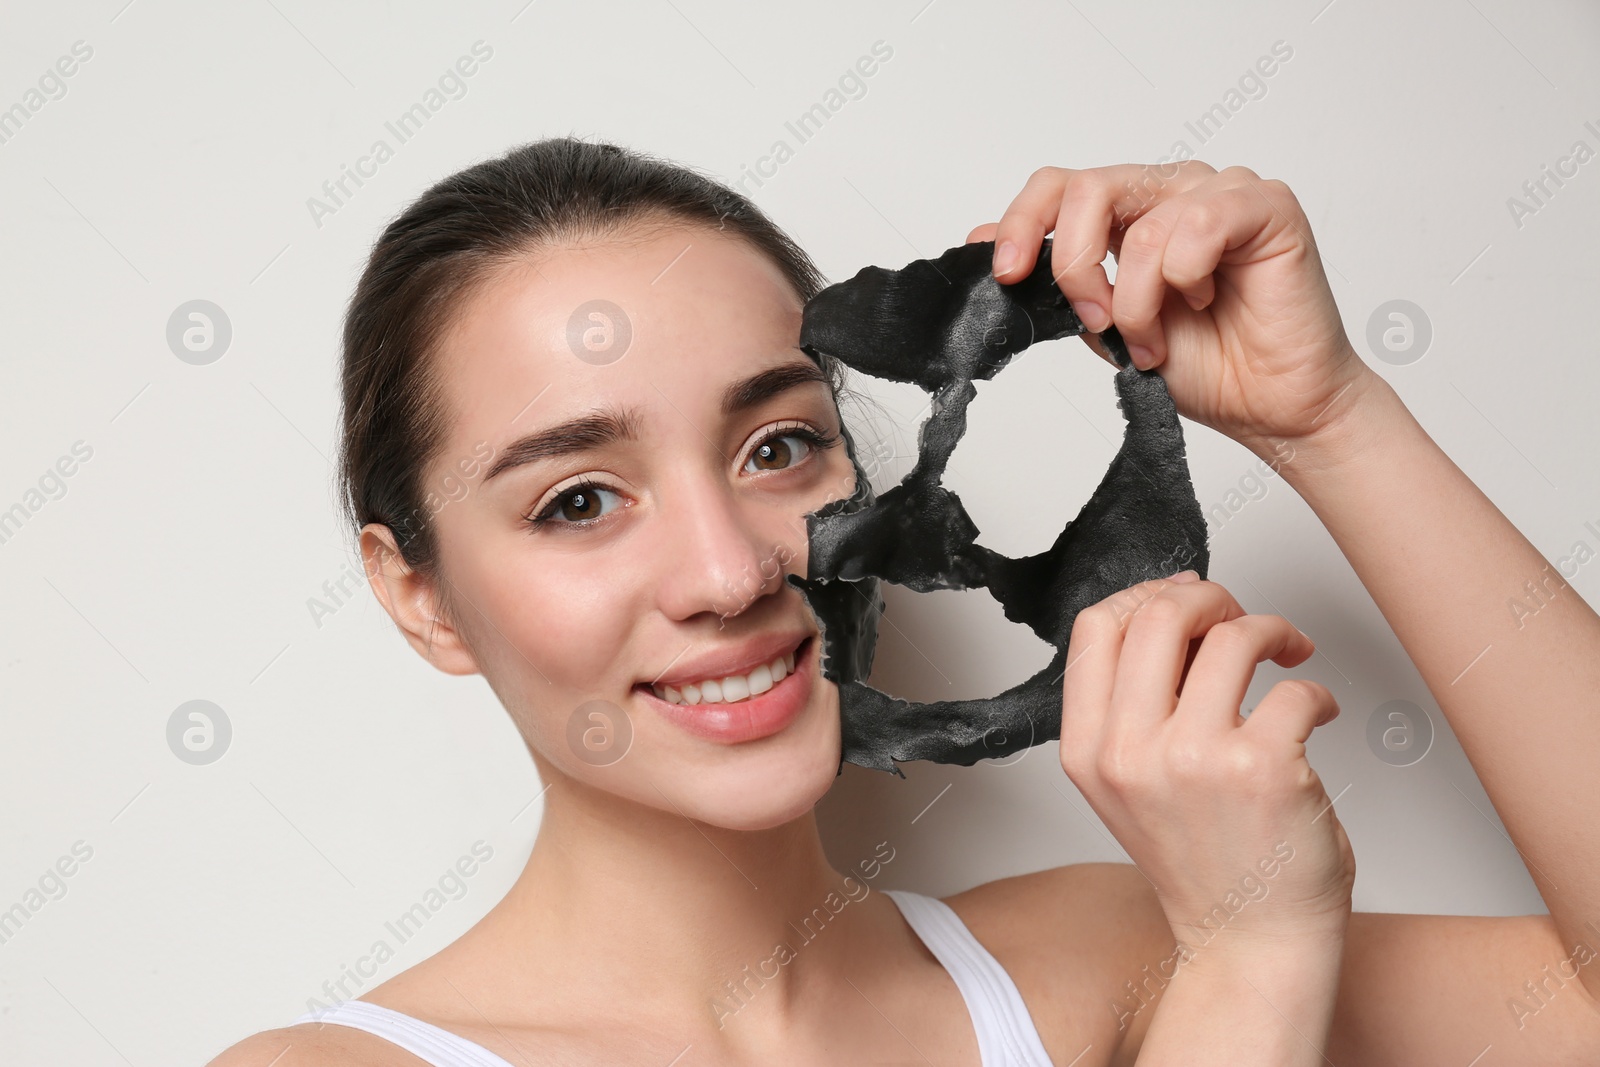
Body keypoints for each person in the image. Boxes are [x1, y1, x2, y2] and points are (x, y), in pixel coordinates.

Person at [209, 139, 1600, 1066]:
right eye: (580, 498)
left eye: (777, 448)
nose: (733, 571)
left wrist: (1333, 422)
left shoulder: (1093, 958)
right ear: (423, 597)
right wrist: (1247, 965)